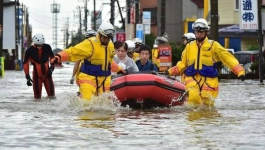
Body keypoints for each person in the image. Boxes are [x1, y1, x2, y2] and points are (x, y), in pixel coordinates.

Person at [165, 18, 245, 107]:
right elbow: (183, 64)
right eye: (197, 31)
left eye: (201, 31)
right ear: (195, 32)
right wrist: (170, 71)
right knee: (193, 99)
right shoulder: (189, 47)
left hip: (209, 82)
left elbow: (227, 58)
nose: (199, 33)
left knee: (207, 107)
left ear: (206, 32)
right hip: (192, 79)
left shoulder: (213, 45)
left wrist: (239, 71)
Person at [51, 22, 125, 101]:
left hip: (104, 81)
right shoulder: (90, 44)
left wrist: (119, 69)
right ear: (100, 34)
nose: (107, 40)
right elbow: (73, 51)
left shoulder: (110, 45)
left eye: (109, 37)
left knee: (104, 106)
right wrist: (59, 56)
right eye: (105, 37)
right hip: (88, 79)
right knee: (86, 103)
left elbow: (109, 63)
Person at [23, 33, 55, 99]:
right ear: (35, 43)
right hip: (37, 77)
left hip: (48, 75)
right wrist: (27, 76)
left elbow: (53, 59)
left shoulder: (47, 47)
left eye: (41, 45)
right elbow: (26, 64)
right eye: (38, 45)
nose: (40, 46)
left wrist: (51, 68)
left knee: (52, 96)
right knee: (37, 98)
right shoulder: (29, 51)